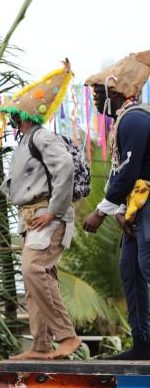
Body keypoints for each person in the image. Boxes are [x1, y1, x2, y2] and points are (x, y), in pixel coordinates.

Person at [0, 60, 81, 360]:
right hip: (33, 217)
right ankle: (41, 344)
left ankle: (67, 336)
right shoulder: (25, 141)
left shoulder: (41, 136)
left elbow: (65, 167)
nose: (9, 118)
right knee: (36, 279)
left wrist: (55, 211)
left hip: (47, 214)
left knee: (34, 270)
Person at [83, 50, 150, 360]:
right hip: (137, 206)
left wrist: (101, 211)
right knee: (130, 269)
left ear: (122, 92)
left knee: (146, 265)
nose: (96, 99)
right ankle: (143, 343)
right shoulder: (124, 121)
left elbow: (128, 172)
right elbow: (123, 173)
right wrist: (122, 211)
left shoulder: (135, 118)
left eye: (102, 92)